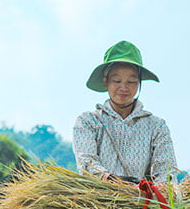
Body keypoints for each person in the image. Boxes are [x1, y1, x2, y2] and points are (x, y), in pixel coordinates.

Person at [73, 40, 177, 184]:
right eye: (116, 81)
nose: (123, 88)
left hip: (141, 200)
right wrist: (114, 182)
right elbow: (86, 162)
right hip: (99, 198)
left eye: (131, 82)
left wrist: (152, 191)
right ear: (106, 81)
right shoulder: (89, 121)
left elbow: (166, 171)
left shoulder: (156, 126)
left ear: (139, 83)